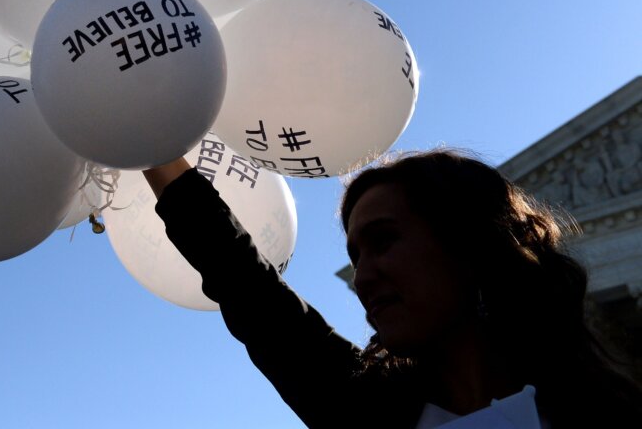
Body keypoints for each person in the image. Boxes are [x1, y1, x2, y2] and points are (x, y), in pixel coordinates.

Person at [144, 148, 642, 427]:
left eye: (383, 242)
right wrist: (144, 137)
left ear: (471, 243)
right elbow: (245, 283)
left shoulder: (604, 410)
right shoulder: (364, 410)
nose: (362, 278)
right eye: (355, 257)